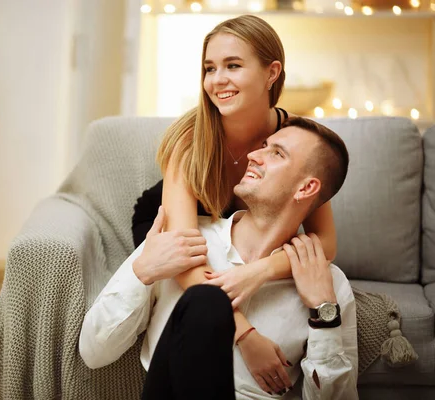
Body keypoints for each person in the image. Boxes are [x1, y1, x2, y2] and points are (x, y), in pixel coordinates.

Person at [80, 117, 358, 399]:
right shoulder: (178, 245)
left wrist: (324, 316)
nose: (252, 156)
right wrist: (142, 272)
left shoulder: (327, 283)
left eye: (276, 153)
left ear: (306, 188)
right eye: (263, 146)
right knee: (206, 302)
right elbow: (93, 352)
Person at [131, 15, 339, 386]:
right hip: (176, 225)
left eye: (233, 65)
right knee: (190, 264)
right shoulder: (190, 140)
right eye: (209, 68)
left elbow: (326, 242)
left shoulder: (295, 138)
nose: (217, 80)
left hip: (241, 237)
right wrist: (244, 333)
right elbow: (185, 256)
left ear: (271, 72)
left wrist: (257, 272)